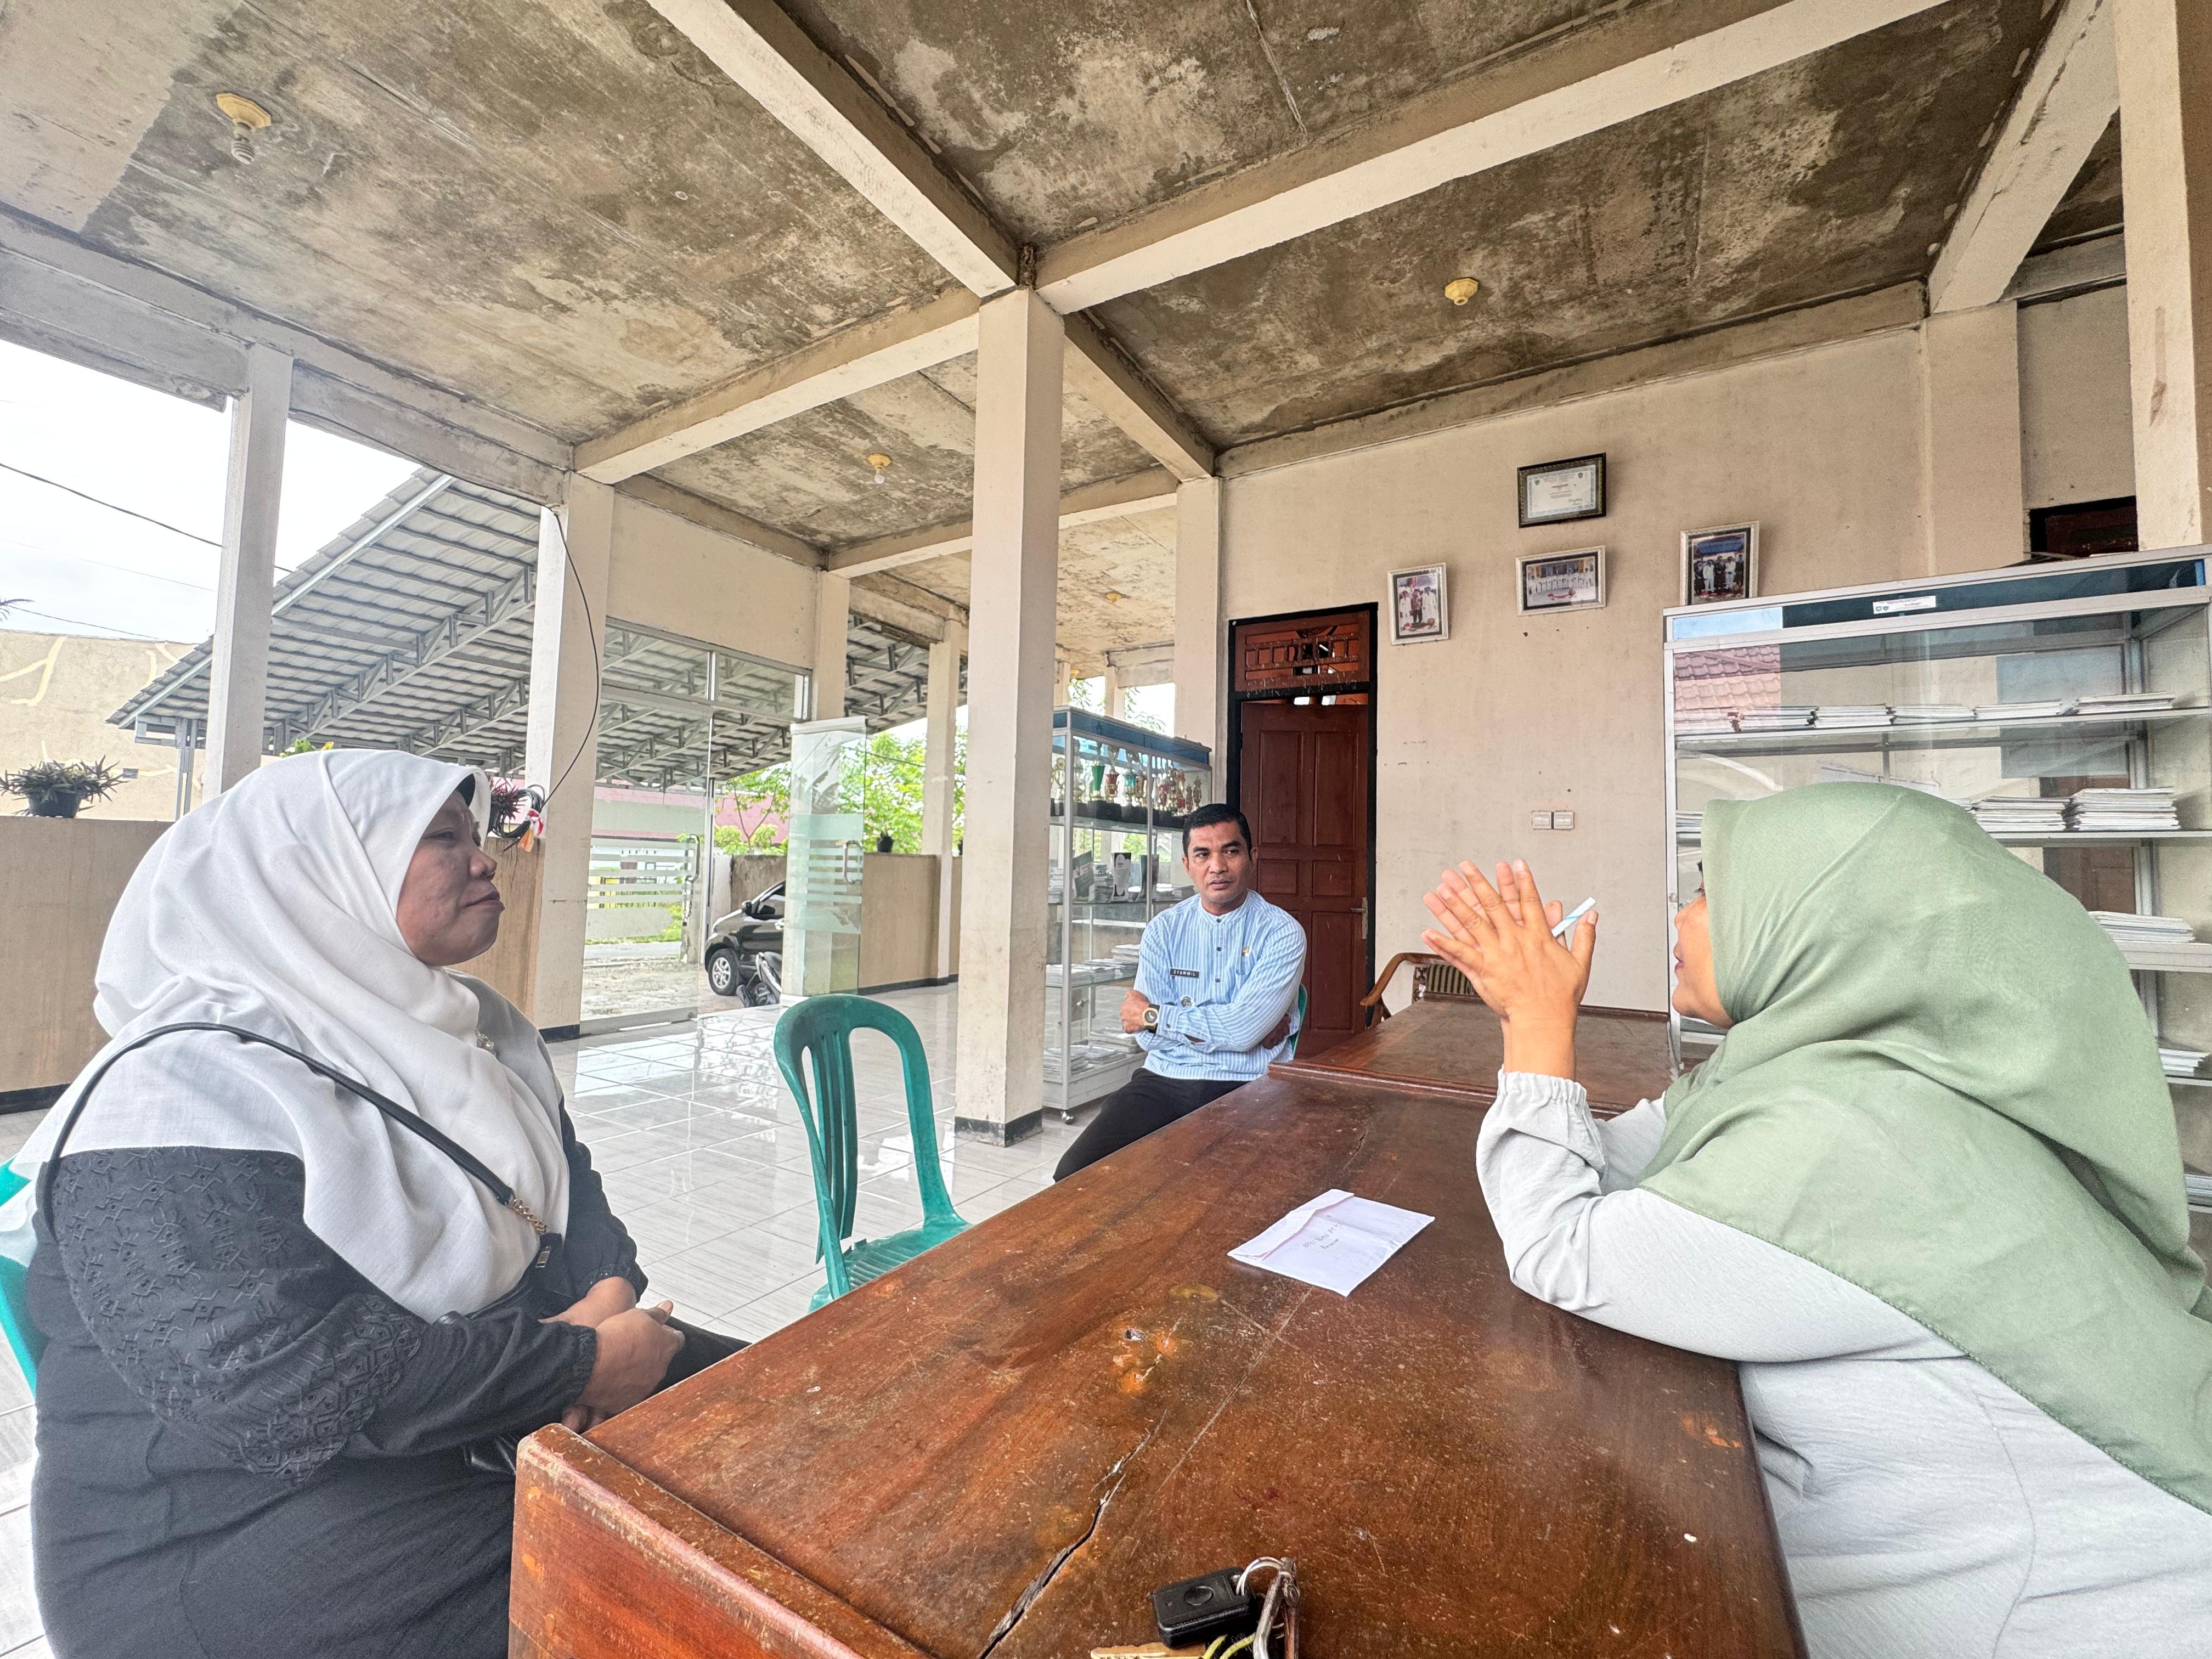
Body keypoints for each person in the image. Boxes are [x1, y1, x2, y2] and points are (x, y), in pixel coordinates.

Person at [1419, 784, 2212, 1658]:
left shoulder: (1864, 1142)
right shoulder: (1812, 1075)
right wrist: (1530, 1028)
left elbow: (1563, 1246)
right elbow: (1614, 1164)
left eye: (1712, 893)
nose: (1683, 916)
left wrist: (1538, 1025)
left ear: (1816, 926)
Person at [21, 750, 744, 1659]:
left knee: (786, 1403)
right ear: (310, 875)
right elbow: (280, 1386)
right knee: (684, 1588)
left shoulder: (481, 1029)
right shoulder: (179, 1084)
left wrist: (598, 1317)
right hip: (235, 1526)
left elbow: (576, 1204)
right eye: (440, 838)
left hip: (474, 1409)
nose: (483, 858)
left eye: (475, 834)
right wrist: (575, 1367)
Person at [1054, 804, 1305, 1180]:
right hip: (1163, 1080)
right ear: (1187, 865)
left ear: (1252, 857)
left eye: (1230, 851)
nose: (1217, 866)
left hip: (1247, 1084)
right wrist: (1232, 1028)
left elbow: (1238, 1033)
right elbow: (1147, 1043)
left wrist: (1155, 1016)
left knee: (1225, 1191)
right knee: (1074, 1174)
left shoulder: (1282, 933)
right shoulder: (1164, 930)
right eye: (1203, 855)